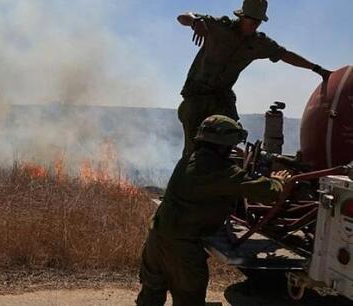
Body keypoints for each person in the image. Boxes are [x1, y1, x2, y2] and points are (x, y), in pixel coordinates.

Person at [135, 115, 291, 306]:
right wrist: (278, 181)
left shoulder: (187, 161)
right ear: (222, 146)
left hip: (157, 238)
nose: (233, 149)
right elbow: (266, 192)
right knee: (189, 300)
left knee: (151, 294)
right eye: (231, 145)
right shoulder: (221, 170)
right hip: (182, 250)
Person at [177, 0, 333, 156]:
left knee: (228, 139)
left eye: (258, 21)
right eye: (251, 20)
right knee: (193, 148)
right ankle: (185, 177)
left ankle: (220, 176)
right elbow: (183, 17)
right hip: (196, 96)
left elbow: (286, 55)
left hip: (221, 98)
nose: (254, 25)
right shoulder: (220, 27)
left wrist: (317, 69)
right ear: (242, 16)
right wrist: (195, 21)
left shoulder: (258, 43)